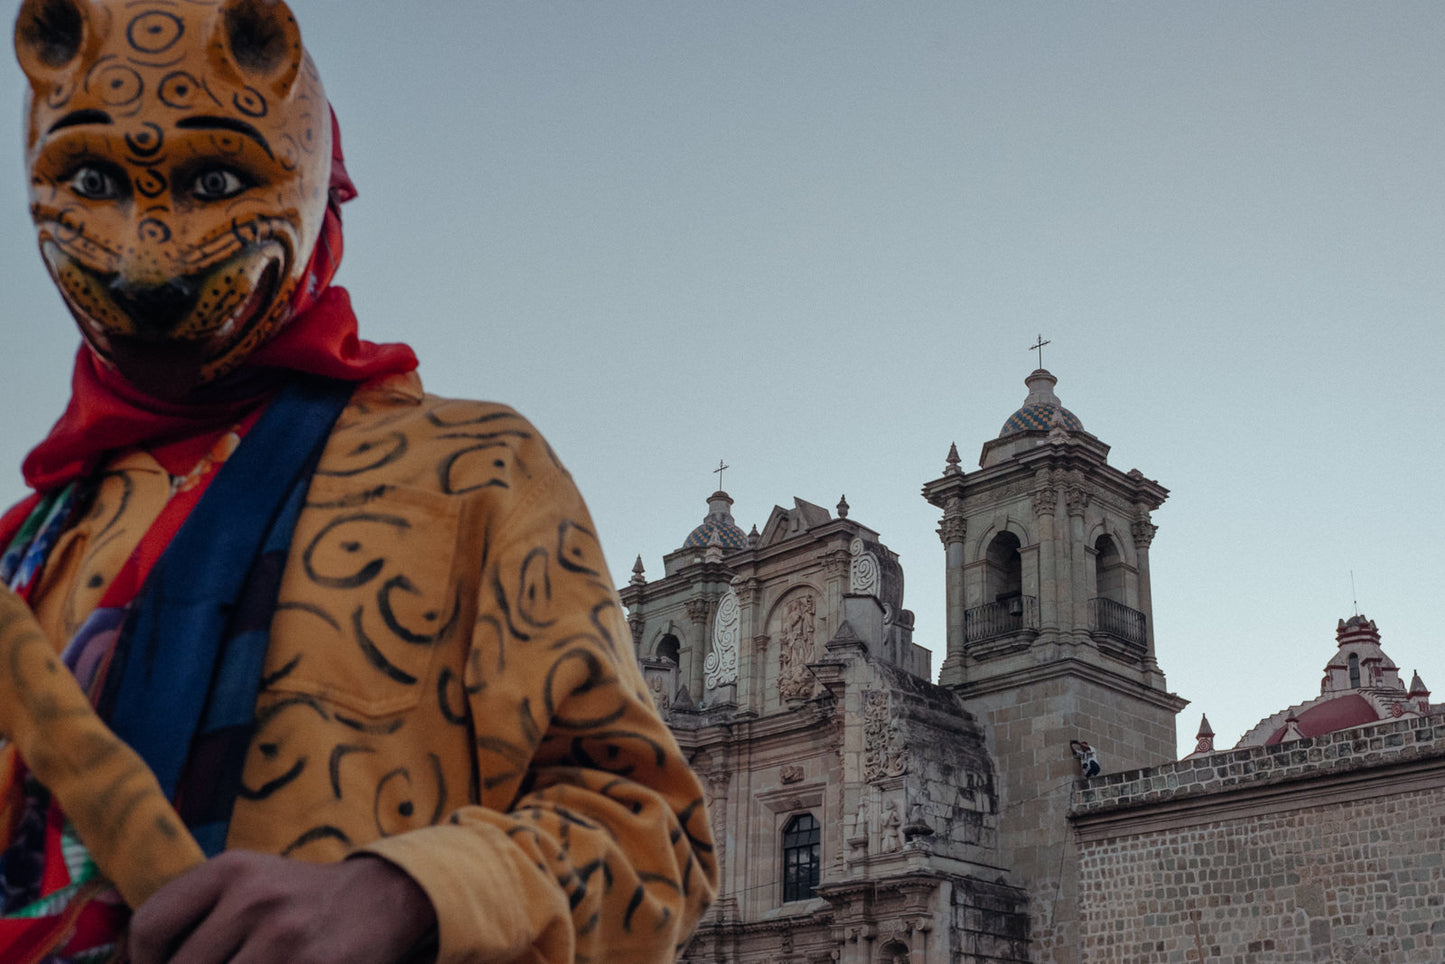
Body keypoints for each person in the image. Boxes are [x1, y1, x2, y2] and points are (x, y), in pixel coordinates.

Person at [0, 1, 715, 961]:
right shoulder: (28, 544)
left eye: (215, 178)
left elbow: (655, 841)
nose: (145, 252)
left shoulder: (477, 474)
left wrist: (406, 895)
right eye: (94, 180)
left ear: (315, 196)